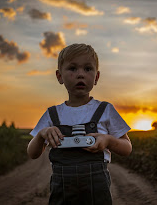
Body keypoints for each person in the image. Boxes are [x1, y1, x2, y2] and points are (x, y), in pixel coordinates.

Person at [27, 43, 132, 205]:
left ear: (96, 77)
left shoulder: (105, 109)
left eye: (88, 69)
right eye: (73, 68)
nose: (80, 74)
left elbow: (127, 147)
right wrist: (41, 134)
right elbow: (32, 153)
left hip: (97, 187)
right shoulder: (52, 114)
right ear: (59, 76)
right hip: (62, 188)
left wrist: (108, 140)